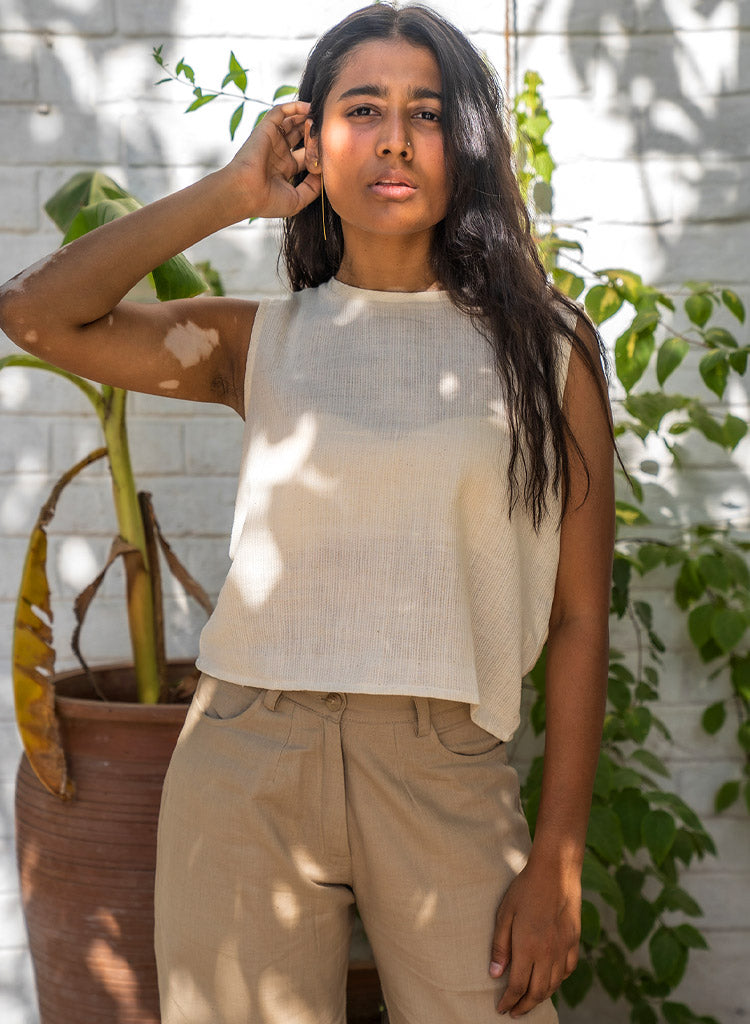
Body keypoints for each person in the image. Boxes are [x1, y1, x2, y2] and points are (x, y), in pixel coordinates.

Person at [0, 3, 615, 1022]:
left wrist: (559, 856)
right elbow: (33, 312)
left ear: (464, 142)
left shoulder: (545, 352)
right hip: (246, 756)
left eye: (427, 112)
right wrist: (233, 193)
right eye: (362, 109)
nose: (394, 138)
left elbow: (581, 615)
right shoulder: (259, 341)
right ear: (312, 141)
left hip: (442, 763)